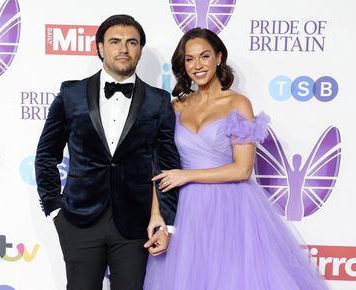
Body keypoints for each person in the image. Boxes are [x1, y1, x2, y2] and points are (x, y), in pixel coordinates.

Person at [144, 27, 329, 290]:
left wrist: (187, 175)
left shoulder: (237, 103)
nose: (197, 65)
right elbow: (160, 168)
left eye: (204, 56)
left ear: (219, 58)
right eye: (189, 59)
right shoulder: (175, 107)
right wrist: (157, 215)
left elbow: (242, 170)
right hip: (183, 210)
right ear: (182, 64)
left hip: (229, 208)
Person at [34, 14, 180, 290]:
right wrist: (55, 209)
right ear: (100, 47)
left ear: (139, 50)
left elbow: (167, 166)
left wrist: (167, 222)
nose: (123, 49)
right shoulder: (71, 94)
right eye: (115, 41)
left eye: (131, 42)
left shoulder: (159, 101)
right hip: (78, 221)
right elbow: (45, 156)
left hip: (136, 225)